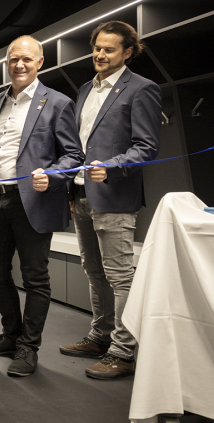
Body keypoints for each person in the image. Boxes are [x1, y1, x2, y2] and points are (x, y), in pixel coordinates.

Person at [0, 36, 84, 376]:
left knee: (35, 278)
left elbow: (74, 155)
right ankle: (10, 335)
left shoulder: (58, 103)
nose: (18, 65)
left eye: (26, 59)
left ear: (40, 62)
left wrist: (52, 175)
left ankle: (28, 347)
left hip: (32, 202)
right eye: (13, 60)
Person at [59, 21, 161, 379]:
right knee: (93, 270)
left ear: (128, 52)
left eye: (109, 50)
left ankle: (123, 350)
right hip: (82, 193)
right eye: (97, 48)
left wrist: (114, 166)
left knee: (120, 276)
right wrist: (72, 190)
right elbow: (78, 145)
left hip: (116, 195)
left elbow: (146, 148)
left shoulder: (142, 89)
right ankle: (100, 336)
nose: (100, 55)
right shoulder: (86, 88)